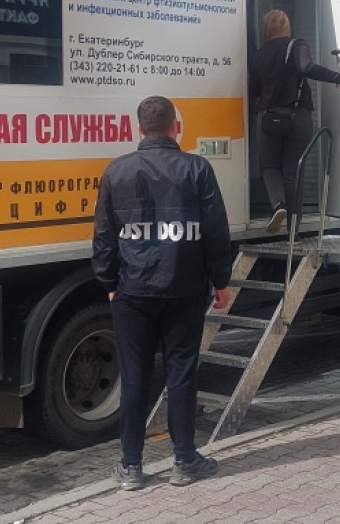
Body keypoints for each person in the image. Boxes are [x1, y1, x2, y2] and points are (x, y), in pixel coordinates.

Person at [92, 96, 234, 490]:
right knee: (181, 375)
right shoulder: (197, 169)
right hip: (184, 286)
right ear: (176, 127)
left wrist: (108, 283)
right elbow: (216, 230)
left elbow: (104, 235)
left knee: (135, 376)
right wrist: (220, 280)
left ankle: (132, 466)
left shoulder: (116, 171)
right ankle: (185, 460)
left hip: (132, 290)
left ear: (138, 129)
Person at [249, 9, 340, 232]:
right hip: (297, 117)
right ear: (286, 27)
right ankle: (293, 228)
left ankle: (278, 204)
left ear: (266, 29)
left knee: (269, 167)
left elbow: (254, 89)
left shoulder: (259, 55)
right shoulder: (296, 45)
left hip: (269, 119)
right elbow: (306, 68)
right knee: (293, 171)